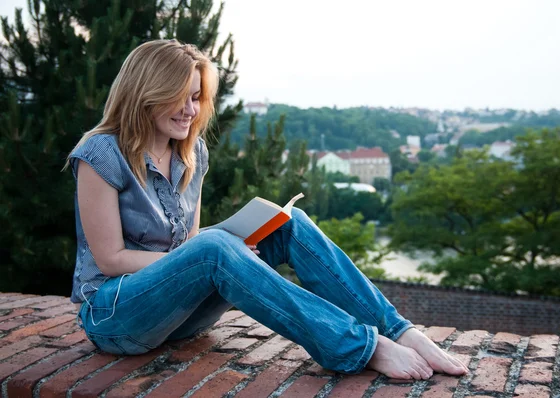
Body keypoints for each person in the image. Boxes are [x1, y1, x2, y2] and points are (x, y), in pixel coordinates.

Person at [66, 39, 468, 380]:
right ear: (145, 93)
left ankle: (398, 330)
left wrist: (231, 247)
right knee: (215, 248)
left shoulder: (191, 154)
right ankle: (359, 347)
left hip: (177, 317)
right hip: (114, 315)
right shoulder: (101, 154)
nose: (190, 109)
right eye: (179, 96)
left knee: (288, 223)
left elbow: (186, 244)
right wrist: (216, 252)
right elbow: (111, 259)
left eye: (195, 96)